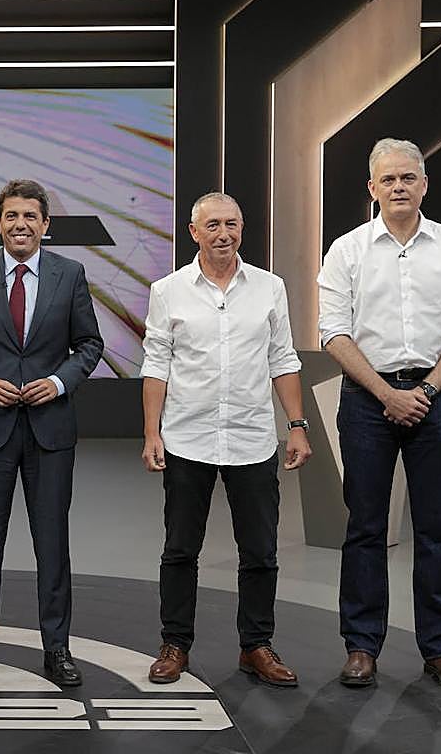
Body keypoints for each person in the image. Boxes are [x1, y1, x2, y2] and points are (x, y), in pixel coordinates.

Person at [318, 138, 441, 692]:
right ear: (372, 188)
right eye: (387, 179)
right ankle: (361, 646)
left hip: (436, 398)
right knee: (365, 527)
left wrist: (427, 389)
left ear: (424, 184)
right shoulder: (346, 250)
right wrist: (386, 393)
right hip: (367, 400)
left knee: (437, 529)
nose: (398, 187)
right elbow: (333, 331)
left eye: (407, 178)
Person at [140, 192, 312, 688]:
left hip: (252, 438)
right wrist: (152, 432)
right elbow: (157, 362)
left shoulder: (270, 287)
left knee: (260, 551)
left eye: (231, 224)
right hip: (187, 437)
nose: (223, 233)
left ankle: (256, 646)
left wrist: (297, 424)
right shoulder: (168, 290)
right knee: (180, 550)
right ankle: (175, 645)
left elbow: (283, 358)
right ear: (194, 232)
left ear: (242, 228)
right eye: (212, 225)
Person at [0, 178, 104, 687]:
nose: (20, 224)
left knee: (52, 545)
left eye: (30, 216)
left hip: (51, 432)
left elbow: (90, 344)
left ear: (45, 224)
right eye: (11, 216)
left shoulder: (70, 274)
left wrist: (59, 382)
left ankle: (57, 650)